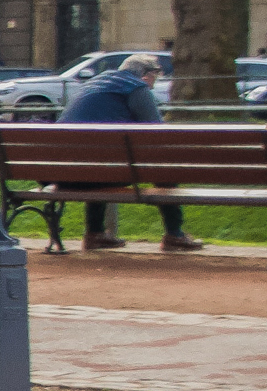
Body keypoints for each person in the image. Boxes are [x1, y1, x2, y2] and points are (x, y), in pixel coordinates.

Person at [59, 52, 202, 252]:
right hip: (97, 172)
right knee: (163, 169)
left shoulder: (93, 84)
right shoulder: (135, 88)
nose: (154, 82)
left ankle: (95, 232)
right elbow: (157, 133)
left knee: (98, 165)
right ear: (144, 75)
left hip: (64, 173)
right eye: (155, 75)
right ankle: (175, 234)